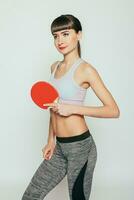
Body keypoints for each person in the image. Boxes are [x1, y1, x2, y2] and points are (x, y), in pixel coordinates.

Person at [22, 14, 120, 200]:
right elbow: (52, 107)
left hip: (81, 148)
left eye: (66, 34)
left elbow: (113, 110)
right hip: (59, 147)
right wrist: (50, 139)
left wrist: (73, 108)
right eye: (56, 36)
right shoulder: (54, 67)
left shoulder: (86, 70)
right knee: (31, 195)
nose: (60, 40)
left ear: (79, 35)